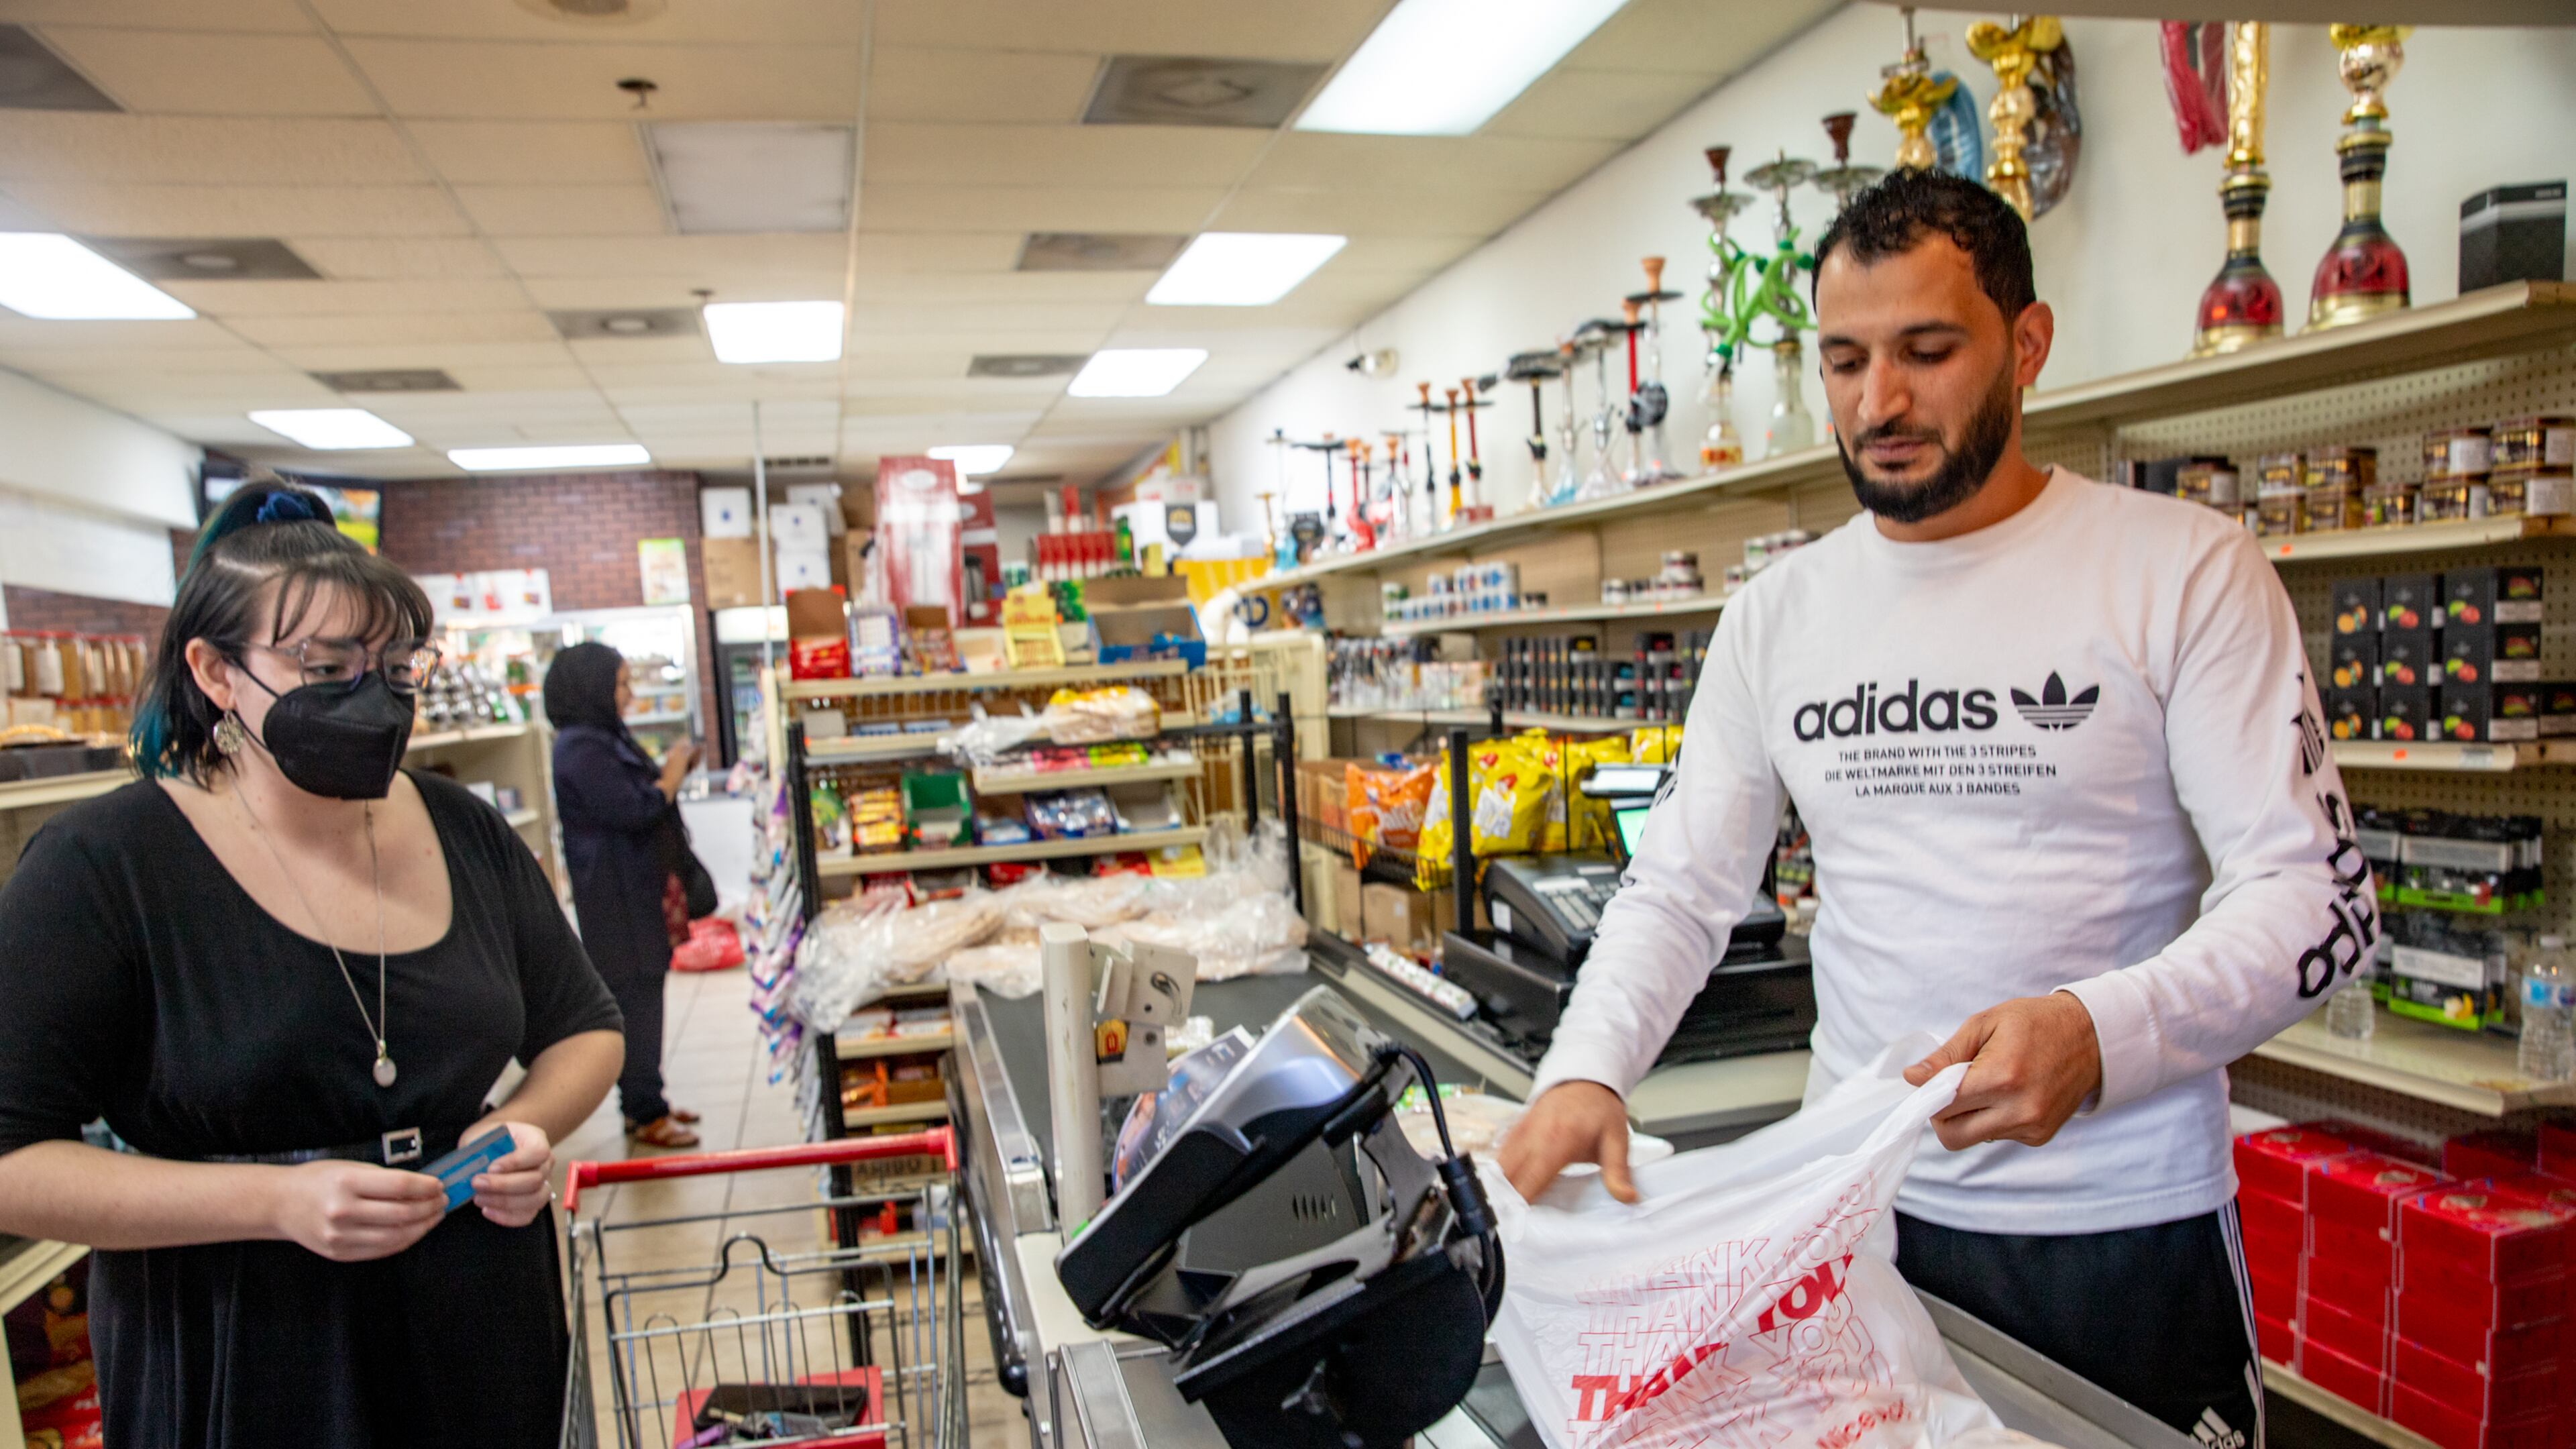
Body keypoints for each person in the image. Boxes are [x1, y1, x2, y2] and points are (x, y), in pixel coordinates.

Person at [1499, 170, 2365, 1448]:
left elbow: (2318, 899)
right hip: (1851, 1227)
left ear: (2028, 344)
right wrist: (1587, 1069)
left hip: (2119, 1236)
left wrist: (2099, 1033)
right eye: (1845, 360)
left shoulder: (2183, 569)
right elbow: (1679, 888)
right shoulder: (1776, 617)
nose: (1878, 403)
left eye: (1927, 351)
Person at [0, 482, 626, 1447]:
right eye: (328, 668)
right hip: (244, 1339)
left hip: (476, 1323)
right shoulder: (103, 867)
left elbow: (584, 1026)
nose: (372, 698)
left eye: (397, 668)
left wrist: (518, 1129)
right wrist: (277, 1201)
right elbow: (13, 1160)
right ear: (215, 671)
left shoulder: (462, 829)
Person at [546, 641, 703, 1148]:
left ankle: (647, 1101)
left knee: (644, 994)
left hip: (635, 891)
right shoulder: (580, 747)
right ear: (592, 687)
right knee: (635, 1000)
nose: (629, 695)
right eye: (621, 684)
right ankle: (644, 1109)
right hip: (617, 900)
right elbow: (633, 810)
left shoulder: (601, 738)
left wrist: (673, 773)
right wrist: (670, 780)